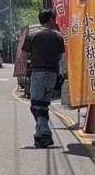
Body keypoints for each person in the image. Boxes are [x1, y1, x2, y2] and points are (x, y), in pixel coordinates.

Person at [22, 9, 66, 148]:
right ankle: (39, 137)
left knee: (36, 105)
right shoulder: (58, 36)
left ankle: (45, 132)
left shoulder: (32, 35)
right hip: (52, 74)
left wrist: (25, 72)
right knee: (43, 105)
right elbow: (61, 57)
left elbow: (23, 55)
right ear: (51, 20)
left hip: (38, 73)